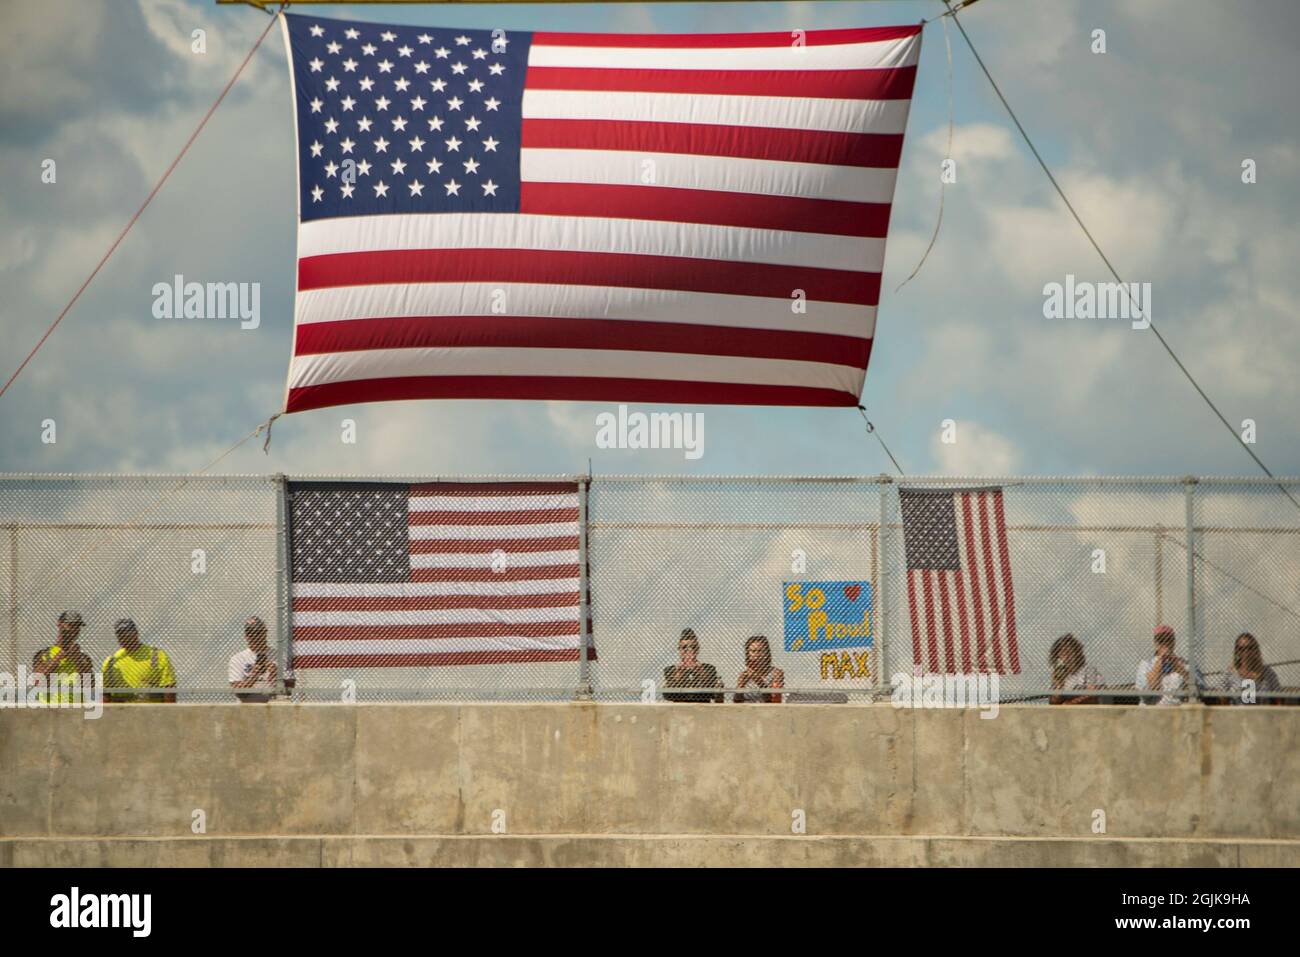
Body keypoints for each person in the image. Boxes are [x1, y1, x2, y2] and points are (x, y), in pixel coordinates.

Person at [101, 619, 177, 703]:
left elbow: (168, 687)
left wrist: (168, 713)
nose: (125, 637)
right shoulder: (112, 661)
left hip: (150, 712)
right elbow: (105, 694)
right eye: (121, 634)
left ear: (136, 633)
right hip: (122, 712)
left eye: (128, 633)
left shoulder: (157, 656)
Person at [31, 611, 95, 704]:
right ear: (59, 625)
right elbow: (38, 683)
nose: (75, 630)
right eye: (71, 625)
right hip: (49, 710)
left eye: (77, 626)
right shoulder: (44, 655)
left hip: (76, 710)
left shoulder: (83, 658)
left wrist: (77, 659)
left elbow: (90, 685)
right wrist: (60, 656)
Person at [1135, 625, 1198, 706]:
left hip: (1176, 713)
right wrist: (1158, 666)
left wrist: (1182, 671)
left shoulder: (1186, 665)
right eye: (1161, 640)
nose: (1165, 643)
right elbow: (1144, 695)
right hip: (1151, 712)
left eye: (1168, 640)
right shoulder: (1145, 665)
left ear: (1174, 642)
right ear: (1155, 644)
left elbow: (1200, 690)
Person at [1218, 632, 1281, 705]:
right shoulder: (1230, 672)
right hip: (1237, 714)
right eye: (1241, 649)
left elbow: (1278, 699)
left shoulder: (1267, 672)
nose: (1246, 652)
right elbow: (1221, 697)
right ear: (1237, 651)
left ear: (1256, 649)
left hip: (1262, 714)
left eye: (1250, 648)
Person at [662, 629, 723, 703]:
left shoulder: (708, 668)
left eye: (693, 647)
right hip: (680, 708)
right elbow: (668, 695)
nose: (689, 650)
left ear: (697, 649)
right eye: (684, 647)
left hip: (702, 707)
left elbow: (712, 693)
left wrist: (701, 670)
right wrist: (678, 673)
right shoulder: (670, 669)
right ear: (679, 650)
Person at [228, 616, 278, 703]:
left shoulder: (278, 656)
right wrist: (254, 675)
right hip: (248, 708)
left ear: (265, 632)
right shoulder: (238, 658)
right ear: (246, 636)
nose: (255, 636)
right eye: (250, 633)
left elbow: (290, 688)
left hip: (273, 707)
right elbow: (239, 693)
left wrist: (275, 675)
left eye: (258, 632)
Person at [1048, 633, 1103, 705]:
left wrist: (1071, 704)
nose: (1066, 655)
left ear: (1077, 652)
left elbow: (1092, 695)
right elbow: (1053, 702)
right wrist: (1059, 686)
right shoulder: (1060, 674)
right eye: (1062, 652)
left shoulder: (1088, 670)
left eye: (1069, 651)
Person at [734, 635, 784, 703]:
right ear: (748, 654)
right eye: (753, 651)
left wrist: (758, 681)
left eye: (760, 651)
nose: (757, 654)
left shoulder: (776, 673)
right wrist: (740, 686)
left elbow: (774, 700)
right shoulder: (744, 674)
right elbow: (737, 702)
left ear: (766, 653)